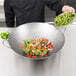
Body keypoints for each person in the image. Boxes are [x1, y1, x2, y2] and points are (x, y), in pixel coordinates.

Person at [4, 0, 75, 27]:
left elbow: (54, 3)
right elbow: (9, 17)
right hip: (22, 31)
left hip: (40, 30)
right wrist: (11, 31)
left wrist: (64, 7)